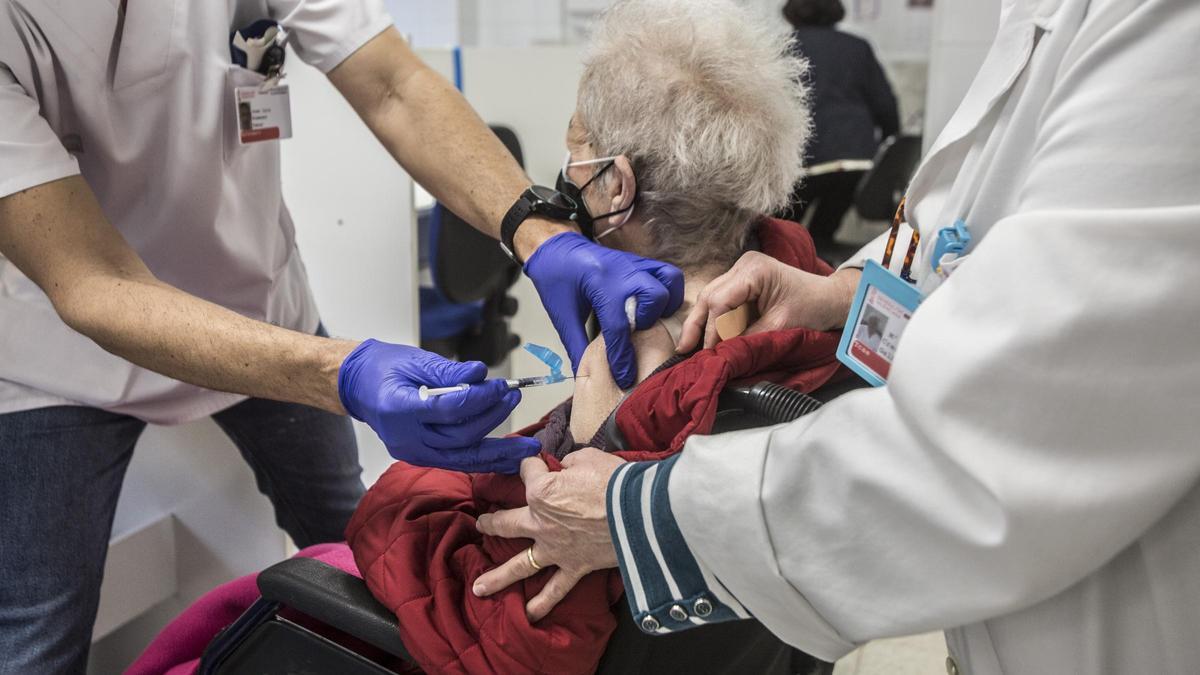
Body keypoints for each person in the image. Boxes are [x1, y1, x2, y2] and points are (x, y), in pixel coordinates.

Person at [473, 1, 1200, 673]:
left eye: (575, 164)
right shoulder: (802, 315)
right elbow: (967, 260)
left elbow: (1005, 430)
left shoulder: (618, 367)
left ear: (614, 185)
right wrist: (842, 295)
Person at [0, 2, 683, 671]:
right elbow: (93, 282)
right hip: (64, 356)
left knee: (367, 538)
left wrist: (537, 231)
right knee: (34, 636)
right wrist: (343, 372)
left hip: (262, 304)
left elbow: (393, 83)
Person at [783, 0, 899, 260]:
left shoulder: (784, 48)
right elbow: (886, 106)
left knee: (778, 234)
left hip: (805, 160)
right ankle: (822, 272)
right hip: (858, 160)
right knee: (822, 234)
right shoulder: (858, 47)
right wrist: (888, 155)